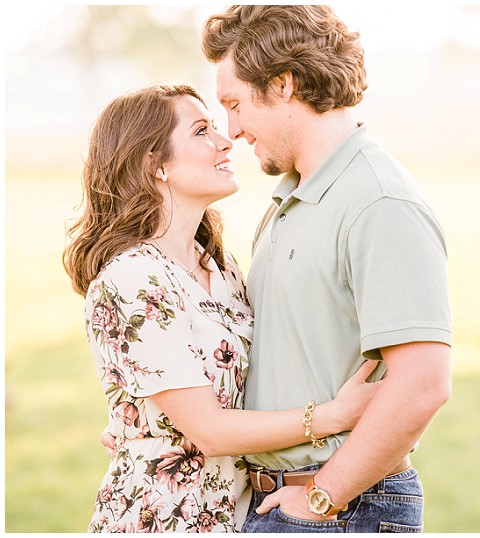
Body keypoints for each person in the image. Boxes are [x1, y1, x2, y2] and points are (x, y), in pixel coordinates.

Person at [62, 84, 382, 533]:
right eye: (201, 131)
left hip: (234, 514)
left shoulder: (220, 267)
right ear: (155, 165)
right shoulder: (132, 277)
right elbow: (208, 431)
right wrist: (335, 415)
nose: (225, 140)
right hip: (164, 518)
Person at [201, 5, 452, 533]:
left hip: (338, 509)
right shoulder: (291, 198)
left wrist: (320, 499)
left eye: (235, 104)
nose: (233, 129)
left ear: (284, 84)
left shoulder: (378, 200)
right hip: (276, 502)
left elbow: (424, 383)